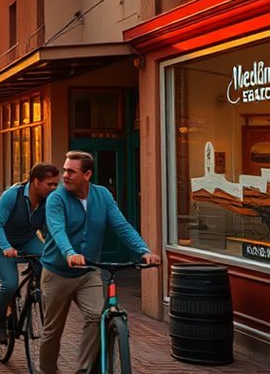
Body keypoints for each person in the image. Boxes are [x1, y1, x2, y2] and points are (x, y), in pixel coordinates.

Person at [39, 151, 161, 374]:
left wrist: (143, 250)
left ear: (87, 174)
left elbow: (121, 226)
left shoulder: (102, 195)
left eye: (71, 171)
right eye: (65, 170)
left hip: (89, 271)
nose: (65, 175)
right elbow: (57, 229)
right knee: (52, 331)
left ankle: (84, 370)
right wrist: (69, 252)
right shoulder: (57, 198)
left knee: (97, 317)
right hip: (57, 273)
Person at [0, 162, 59, 343]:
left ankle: (34, 291)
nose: (54, 187)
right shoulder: (12, 195)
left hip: (28, 240)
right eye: (50, 184)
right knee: (10, 284)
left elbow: (50, 229)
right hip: (2, 244)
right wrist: (6, 247)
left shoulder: (49, 200)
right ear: (36, 181)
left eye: (56, 184)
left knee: (47, 262)